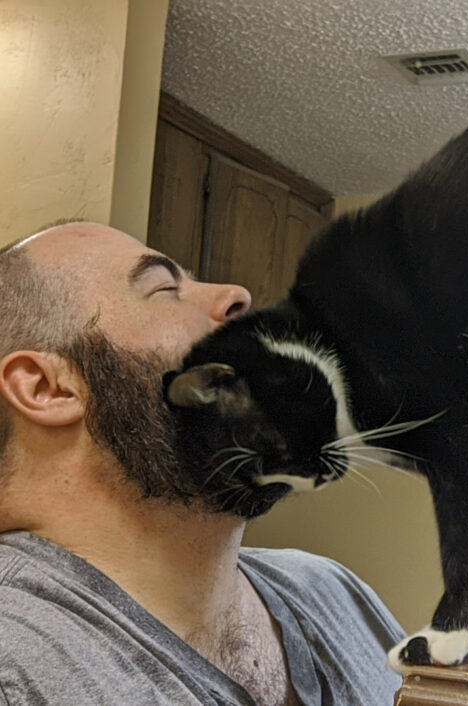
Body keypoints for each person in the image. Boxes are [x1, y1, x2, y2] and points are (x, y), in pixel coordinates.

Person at [0, 221, 405, 705]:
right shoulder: (17, 662)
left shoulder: (332, 591)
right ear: (46, 388)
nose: (238, 295)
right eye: (165, 288)